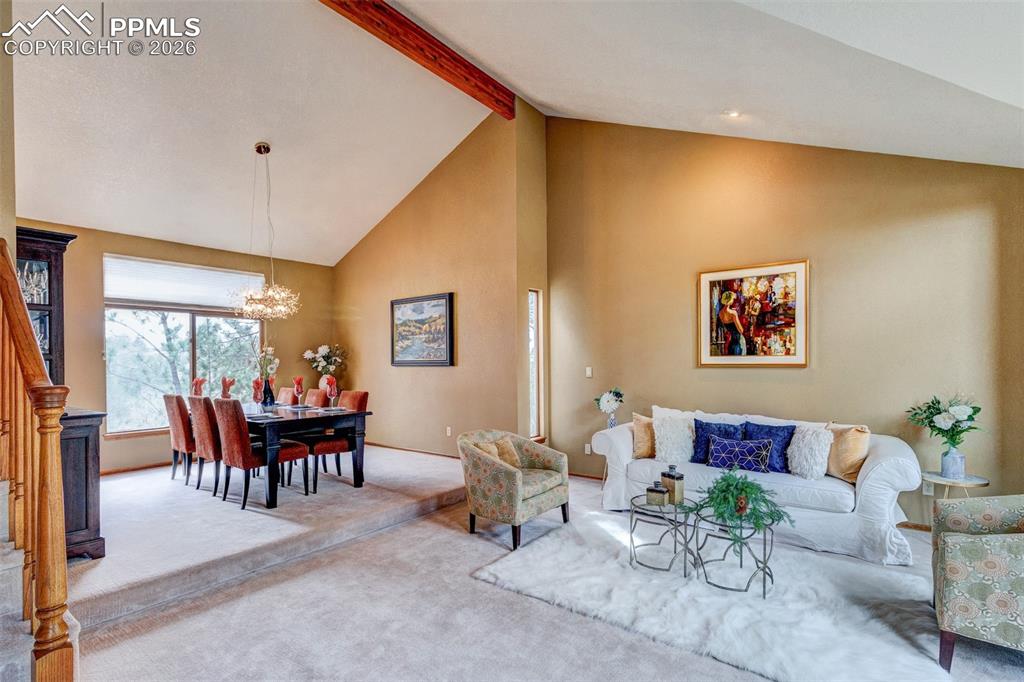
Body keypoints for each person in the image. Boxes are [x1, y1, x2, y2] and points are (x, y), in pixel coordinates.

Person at [718, 291, 745, 355]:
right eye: (732, 299)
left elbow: (728, 327)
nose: (733, 300)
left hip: (730, 344)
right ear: (729, 300)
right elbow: (741, 330)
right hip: (737, 343)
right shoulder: (733, 313)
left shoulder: (720, 313)